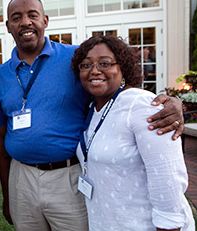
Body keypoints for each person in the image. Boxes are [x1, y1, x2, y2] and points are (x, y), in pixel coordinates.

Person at [0, 0, 184, 231]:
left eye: (33, 15)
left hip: (68, 176)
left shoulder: (75, 58)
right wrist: (8, 193)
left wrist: (170, 102)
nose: (25, 22)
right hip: (22, 179)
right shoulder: (0, 75)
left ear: (45, 21)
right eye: (16, 17)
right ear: (8, 26)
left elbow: (114, 87)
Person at [71, 35, 194, 230]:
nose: (94, 71)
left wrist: (169, 226)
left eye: (105, 63)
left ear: (123, 67)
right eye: (86, 65)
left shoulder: (143, 105)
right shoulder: (94, 108)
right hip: (107, 221)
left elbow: (167, 179)